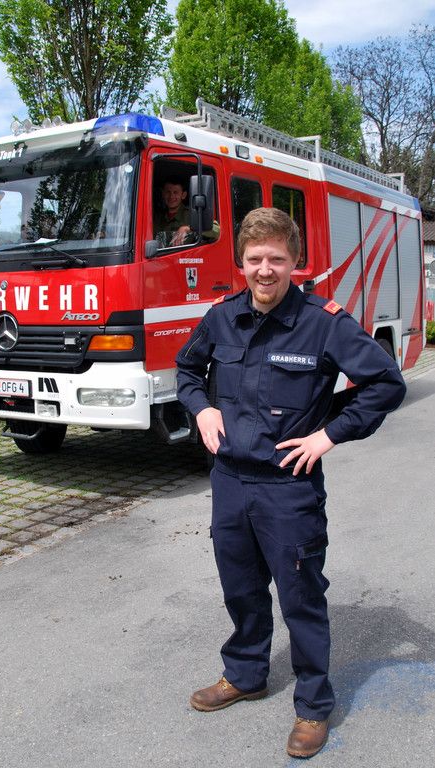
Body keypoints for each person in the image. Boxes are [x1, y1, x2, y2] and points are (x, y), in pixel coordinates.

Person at [175, 207, 406, 758]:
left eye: (276, 259)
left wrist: (329, 434)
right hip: (230, 481)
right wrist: (202, 408)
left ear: (295, 261)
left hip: (288, 488)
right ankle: (246, 674)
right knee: (241, 588)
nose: (265, 270)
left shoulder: (323, 322)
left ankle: (313, 706)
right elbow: (186, 371)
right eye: (255, 259)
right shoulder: (221, 317)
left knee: (301, 597)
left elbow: (386, 382)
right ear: (240, 262)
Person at [154, 177, 219, 247]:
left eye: (175, 192)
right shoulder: (155, 217)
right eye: (168, 192)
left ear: (183, 195)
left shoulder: (193, 214)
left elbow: (217, 231)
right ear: (163, 194)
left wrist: (188, 228)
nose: (171, 196)